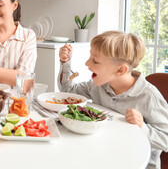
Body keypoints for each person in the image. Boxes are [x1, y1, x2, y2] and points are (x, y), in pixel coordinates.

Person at [58, 31, 168, 168]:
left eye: (95, 60)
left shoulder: (149, 97)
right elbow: (68, 92)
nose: (87, 63)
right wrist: (65, 63)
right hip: (104, 156)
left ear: (120, 70)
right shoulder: (98, 85)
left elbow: (166, 140)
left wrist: (142, 127)